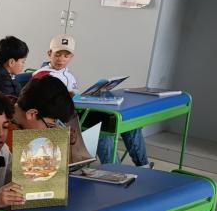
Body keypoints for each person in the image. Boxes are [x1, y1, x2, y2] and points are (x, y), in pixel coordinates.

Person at [12, 76, 101, 211]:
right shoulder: (1, 127)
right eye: (51, 125)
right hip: (13, 205)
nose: (52, 130)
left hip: (38, 195)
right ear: (32, 114)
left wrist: (68, 147)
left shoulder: (34, 125)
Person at [35, 34, 150, 167]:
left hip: (78, 112)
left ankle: (144, 166)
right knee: (103, 129)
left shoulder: (67, 73)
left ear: (71, 57)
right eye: (57, 54)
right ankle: (116, 170)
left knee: (127, 123)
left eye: (66, 56)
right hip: (63, 120)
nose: (61, 59)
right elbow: (45, 105)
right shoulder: (42, 75)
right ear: (49, 53)